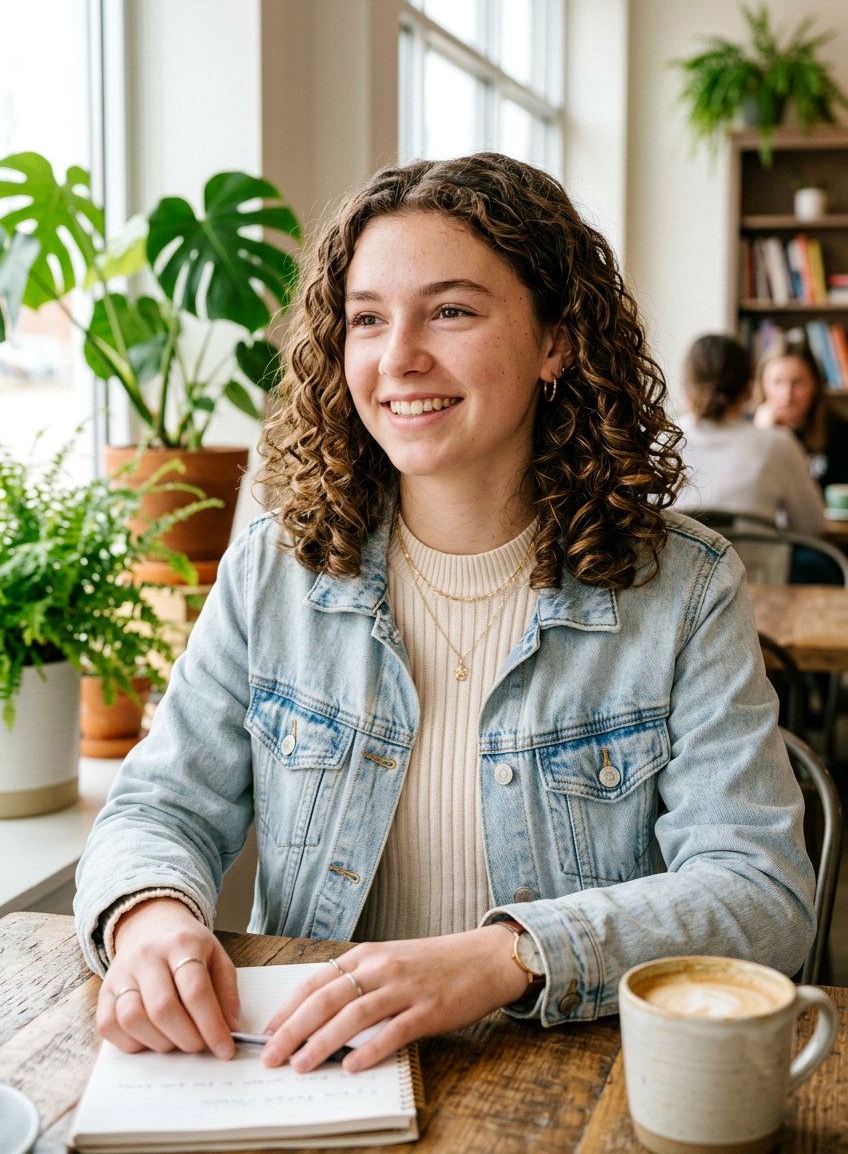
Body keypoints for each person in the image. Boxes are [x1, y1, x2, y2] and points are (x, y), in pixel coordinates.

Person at [74, 153, 814, 1076]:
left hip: (563, 1085)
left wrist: (506, 956)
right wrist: (148, 915)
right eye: (368, 320)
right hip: (307, 1072)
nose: (398, 358)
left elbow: (761, 894)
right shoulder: (274, 569)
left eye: (452, 311)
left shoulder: (685, 589)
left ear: (557, 341)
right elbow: (159, 805)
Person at [674, 333, 825, 533]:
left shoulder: (658, 441)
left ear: (685, 388)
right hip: (756, 565)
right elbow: (813, 526)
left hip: (676, 564)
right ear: (748, 388)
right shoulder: (778, 443)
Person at [753, 337, 848, 492]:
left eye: (798, 383)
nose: (787, 395)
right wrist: (762, 437)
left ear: (815, 385)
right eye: (778, 382)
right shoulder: (748, 428)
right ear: (763, 386)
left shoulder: (839, 431)